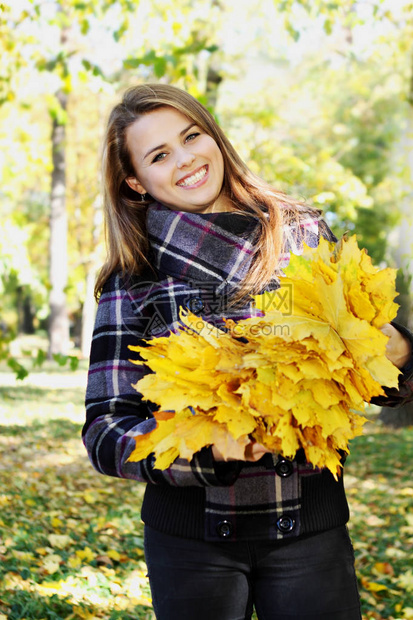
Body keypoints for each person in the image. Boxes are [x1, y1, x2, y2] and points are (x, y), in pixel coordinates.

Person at [83, 83, 413, 620]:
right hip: (191, 544)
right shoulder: (134, 276)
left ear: (213, 135)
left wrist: (398, 354)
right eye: (159, 155)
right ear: (134, 180)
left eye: (192, 136)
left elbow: (366, 373)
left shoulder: (303, 231)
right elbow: (105, 431)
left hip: (310, 528)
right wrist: (200, 448)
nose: (186, 159)